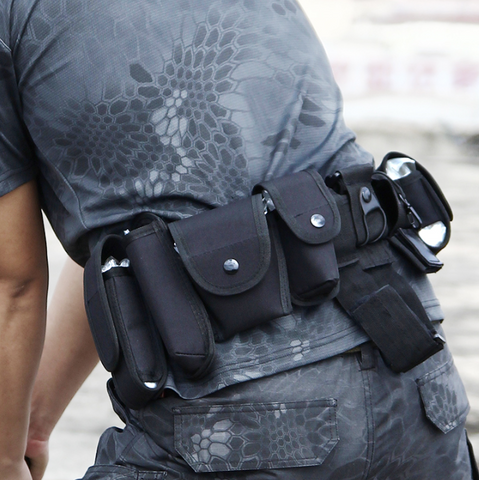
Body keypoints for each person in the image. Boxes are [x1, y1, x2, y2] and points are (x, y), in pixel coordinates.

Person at [0, 1, 476, 479]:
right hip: (418, 372)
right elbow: (127, 247)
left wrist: (5, 457)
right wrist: (33, 428)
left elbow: (14, 283)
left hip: (238, 420)